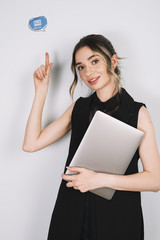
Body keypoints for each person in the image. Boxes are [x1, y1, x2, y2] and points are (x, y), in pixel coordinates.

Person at [22, 34, 160, 240]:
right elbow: (31, 144)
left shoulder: (137, 112)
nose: (88, 72)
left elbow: (154, 180)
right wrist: (41, 91)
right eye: (81, 67)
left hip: (117, 217)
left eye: (94, 61)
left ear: (112, 61)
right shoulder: (79, 108)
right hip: (71, 211)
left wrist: (99, 180)